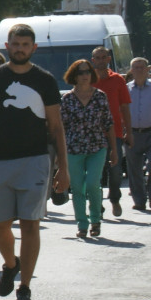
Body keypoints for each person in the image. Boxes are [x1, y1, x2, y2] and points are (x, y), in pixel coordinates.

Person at [0, 24, 68, 300]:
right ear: (7, 46)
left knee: (31, 224)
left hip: (35, 159)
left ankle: (25, 288)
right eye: (15, 44)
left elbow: (56, 127)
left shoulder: (44, 80)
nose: (19, 48)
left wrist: (62, 168)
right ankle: (10, 263)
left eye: (25, 44)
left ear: (34, 48)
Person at [61, 59, 116, 239]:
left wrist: (114, 149)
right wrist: (58, 154)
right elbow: (61, 128)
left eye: (87, 72)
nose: (85, 76)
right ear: (74, 76)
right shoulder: (67, 99)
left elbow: (108, 123)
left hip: (97, 146)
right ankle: (82, 224)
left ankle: (95, 220)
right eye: (80, 72)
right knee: (77, 188)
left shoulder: (100, 96)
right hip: (73, 148)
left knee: (93, 183)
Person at [91, 46, 132, 217]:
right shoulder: (87, 79)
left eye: (103, 57)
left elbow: (124, 107)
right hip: (93, 133)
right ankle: (97, 204)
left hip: (114, 133)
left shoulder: (118, 80)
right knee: (95, 172)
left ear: (108, 59)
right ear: (93, 60)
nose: (101, 60)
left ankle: (114, 198)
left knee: (115, 171)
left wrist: (128, 132)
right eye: (97, 58)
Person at [124, 57, 151, 211]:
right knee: (134, 169)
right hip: (133, 133)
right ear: (131, 70)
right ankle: (139, 200)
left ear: (148, 69)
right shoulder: (126, 89)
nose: (139, 70)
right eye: (136, 67)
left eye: (142, 67)